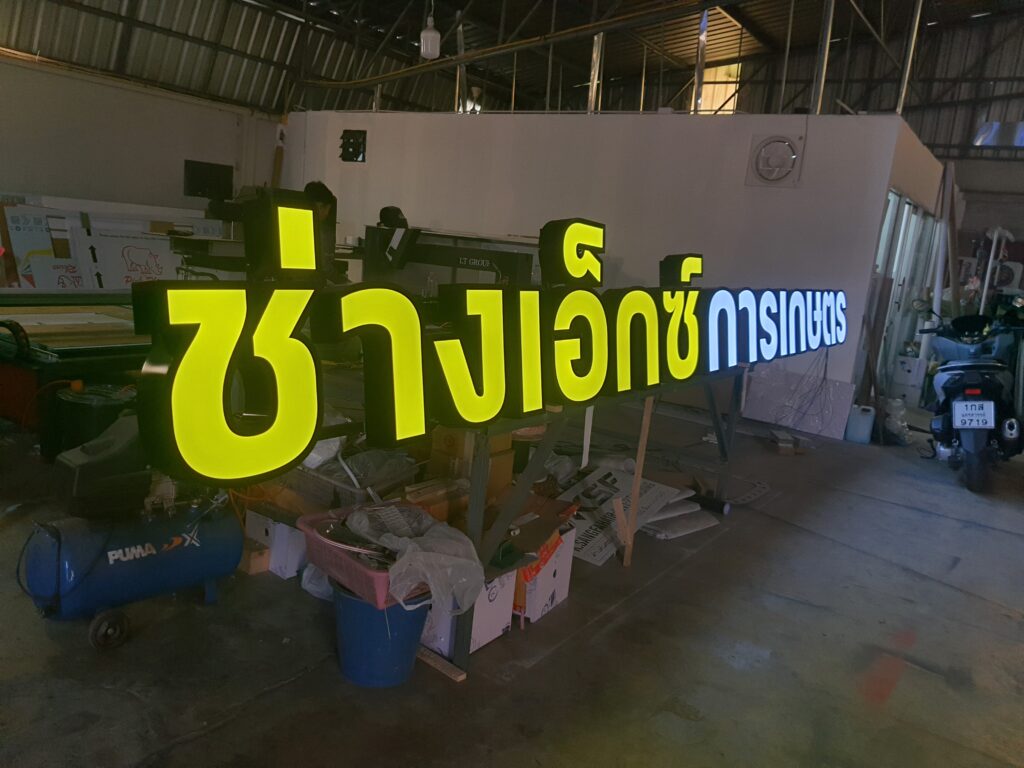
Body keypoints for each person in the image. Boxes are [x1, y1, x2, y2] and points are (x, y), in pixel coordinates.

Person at [304, 180, 346, 284]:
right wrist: (345, 283)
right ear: (319, 206)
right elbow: (325, 269)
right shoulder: (318, 233)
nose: (327, 214)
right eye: (327, 209)